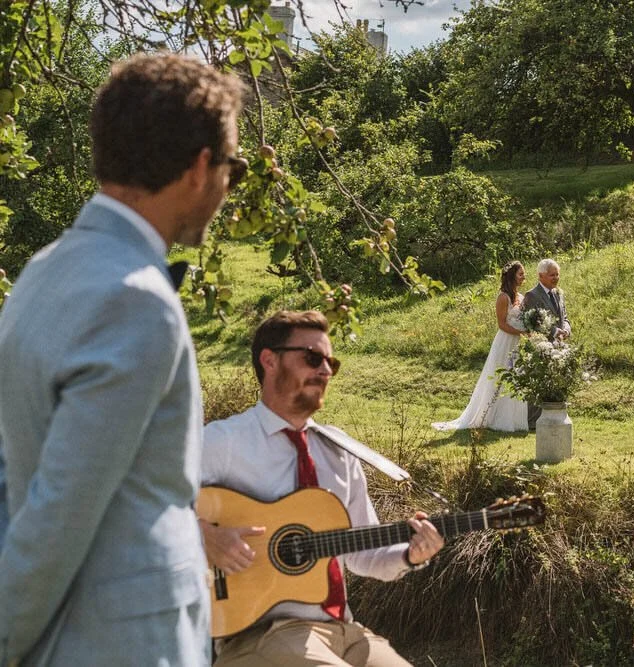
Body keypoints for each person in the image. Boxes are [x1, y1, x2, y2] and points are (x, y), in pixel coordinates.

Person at [0, 53, 246, 665]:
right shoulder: (137, 300)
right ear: (200, 167)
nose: (228, 189)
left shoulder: (41, 272)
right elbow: (58, 515)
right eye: (233, 169)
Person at [200, 310, 444, 667]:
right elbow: (144, 507)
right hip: (258, 635)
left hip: (342, 630)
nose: (326, 370)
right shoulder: (223, 441)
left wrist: (412, 554)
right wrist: (205, 535)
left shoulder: (339, 450)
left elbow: (364, 553)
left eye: (332, 363)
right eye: (313, 358)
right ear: (269, 360)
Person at [432, 261, 529, 432]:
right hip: (505, 341)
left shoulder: (521, 298)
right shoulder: (503, 297)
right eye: (521, 274)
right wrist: (520, 332)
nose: (524, 277)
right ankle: (489, 416)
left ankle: (511, 418)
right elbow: (501, 324)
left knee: (515, 377)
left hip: (517, 342)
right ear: (512, 276)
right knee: (499, 376)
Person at [520, 258, 571, 430]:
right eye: (552, 275)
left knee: (556, 381)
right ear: (541, 276)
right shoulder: (532, 295)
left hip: (558, 345)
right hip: (540, 345)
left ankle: (554, 417)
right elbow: (532, 322)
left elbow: (564, 316)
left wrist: (566, 329)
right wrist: (555, 332)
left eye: (557, 274)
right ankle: (533, 421)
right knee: (538, 381)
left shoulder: (558, 293)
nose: (556, 278)